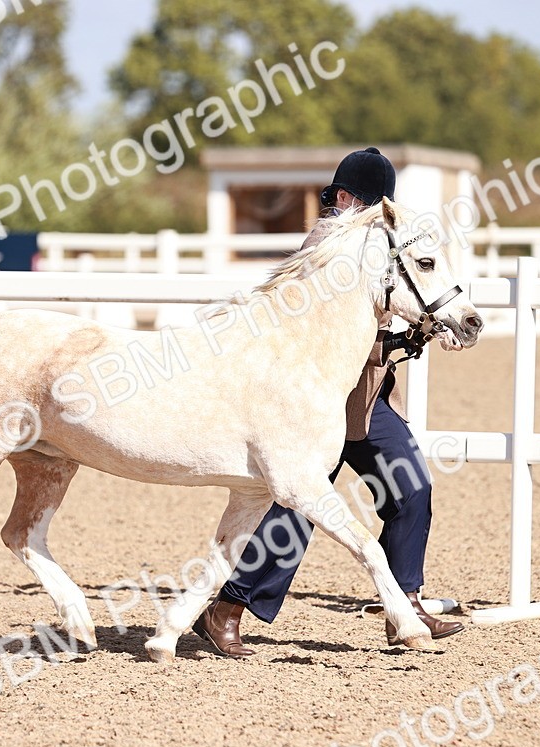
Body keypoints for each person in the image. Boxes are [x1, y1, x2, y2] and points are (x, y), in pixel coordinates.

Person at [192, 147, 465, 657]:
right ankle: (223, 610)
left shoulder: (376, 240)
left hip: (368, 398)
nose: (374, 215)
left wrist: (430, 324)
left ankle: (405, 604)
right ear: (343, 198)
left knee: (412, 488)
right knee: (293, 514)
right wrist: (396, 342)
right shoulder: (326, 242)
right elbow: (329, 330)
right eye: (367, 204)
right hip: (314, 403)